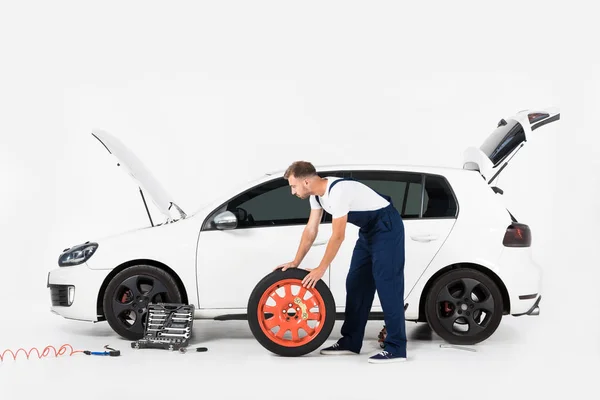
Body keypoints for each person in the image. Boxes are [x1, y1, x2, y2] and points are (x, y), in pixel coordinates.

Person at [275, 161, 407, 363]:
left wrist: (321, 268)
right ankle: (351, 342)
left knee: (387, 284)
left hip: (387, 227)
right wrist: (296, 261)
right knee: (356, 283)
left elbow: (338, 236)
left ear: (307, 182)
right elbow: (311, 231)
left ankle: (396, 348)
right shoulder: (317, 197)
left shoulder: (338, 192)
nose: (292, 191)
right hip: (369, 232)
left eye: (293, 186)